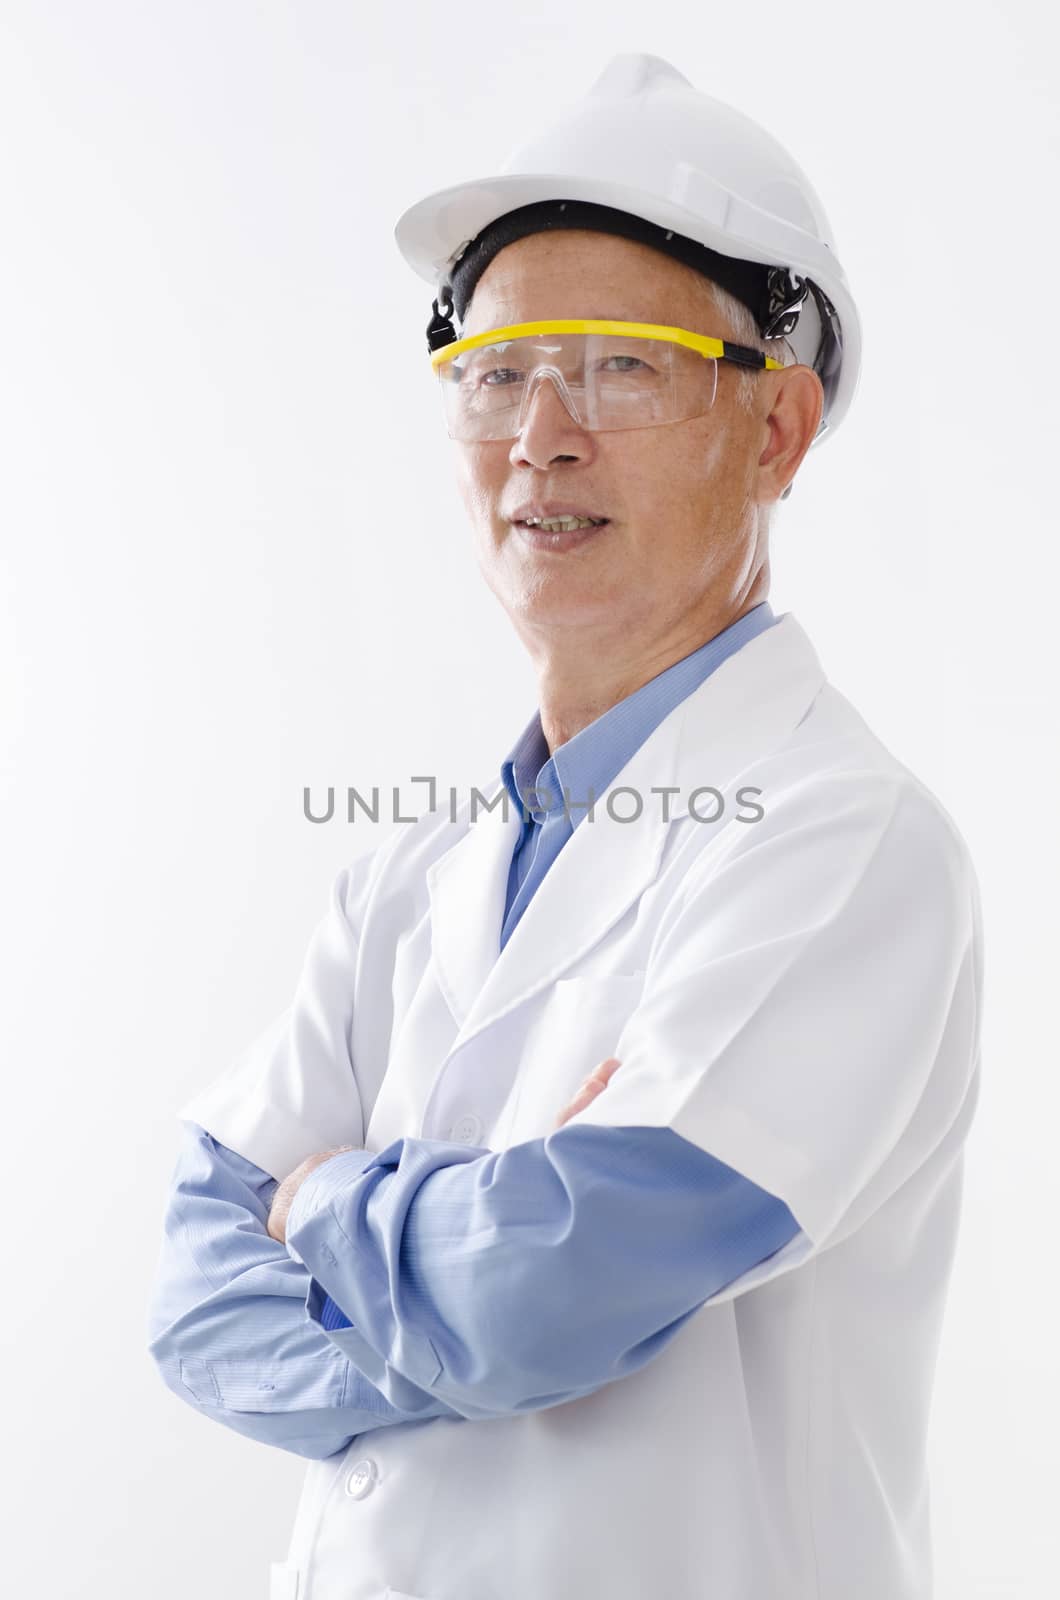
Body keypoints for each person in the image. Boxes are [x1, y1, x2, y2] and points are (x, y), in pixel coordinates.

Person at [146, 52, 983, 1600]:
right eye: (498, 370)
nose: (540, 433)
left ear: (779, 430)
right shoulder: (403, 875)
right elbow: (197, 1296)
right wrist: (452, 1279)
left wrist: (324, 1201)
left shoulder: (846, 845)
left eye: (620, 369)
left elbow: (548, 1292)